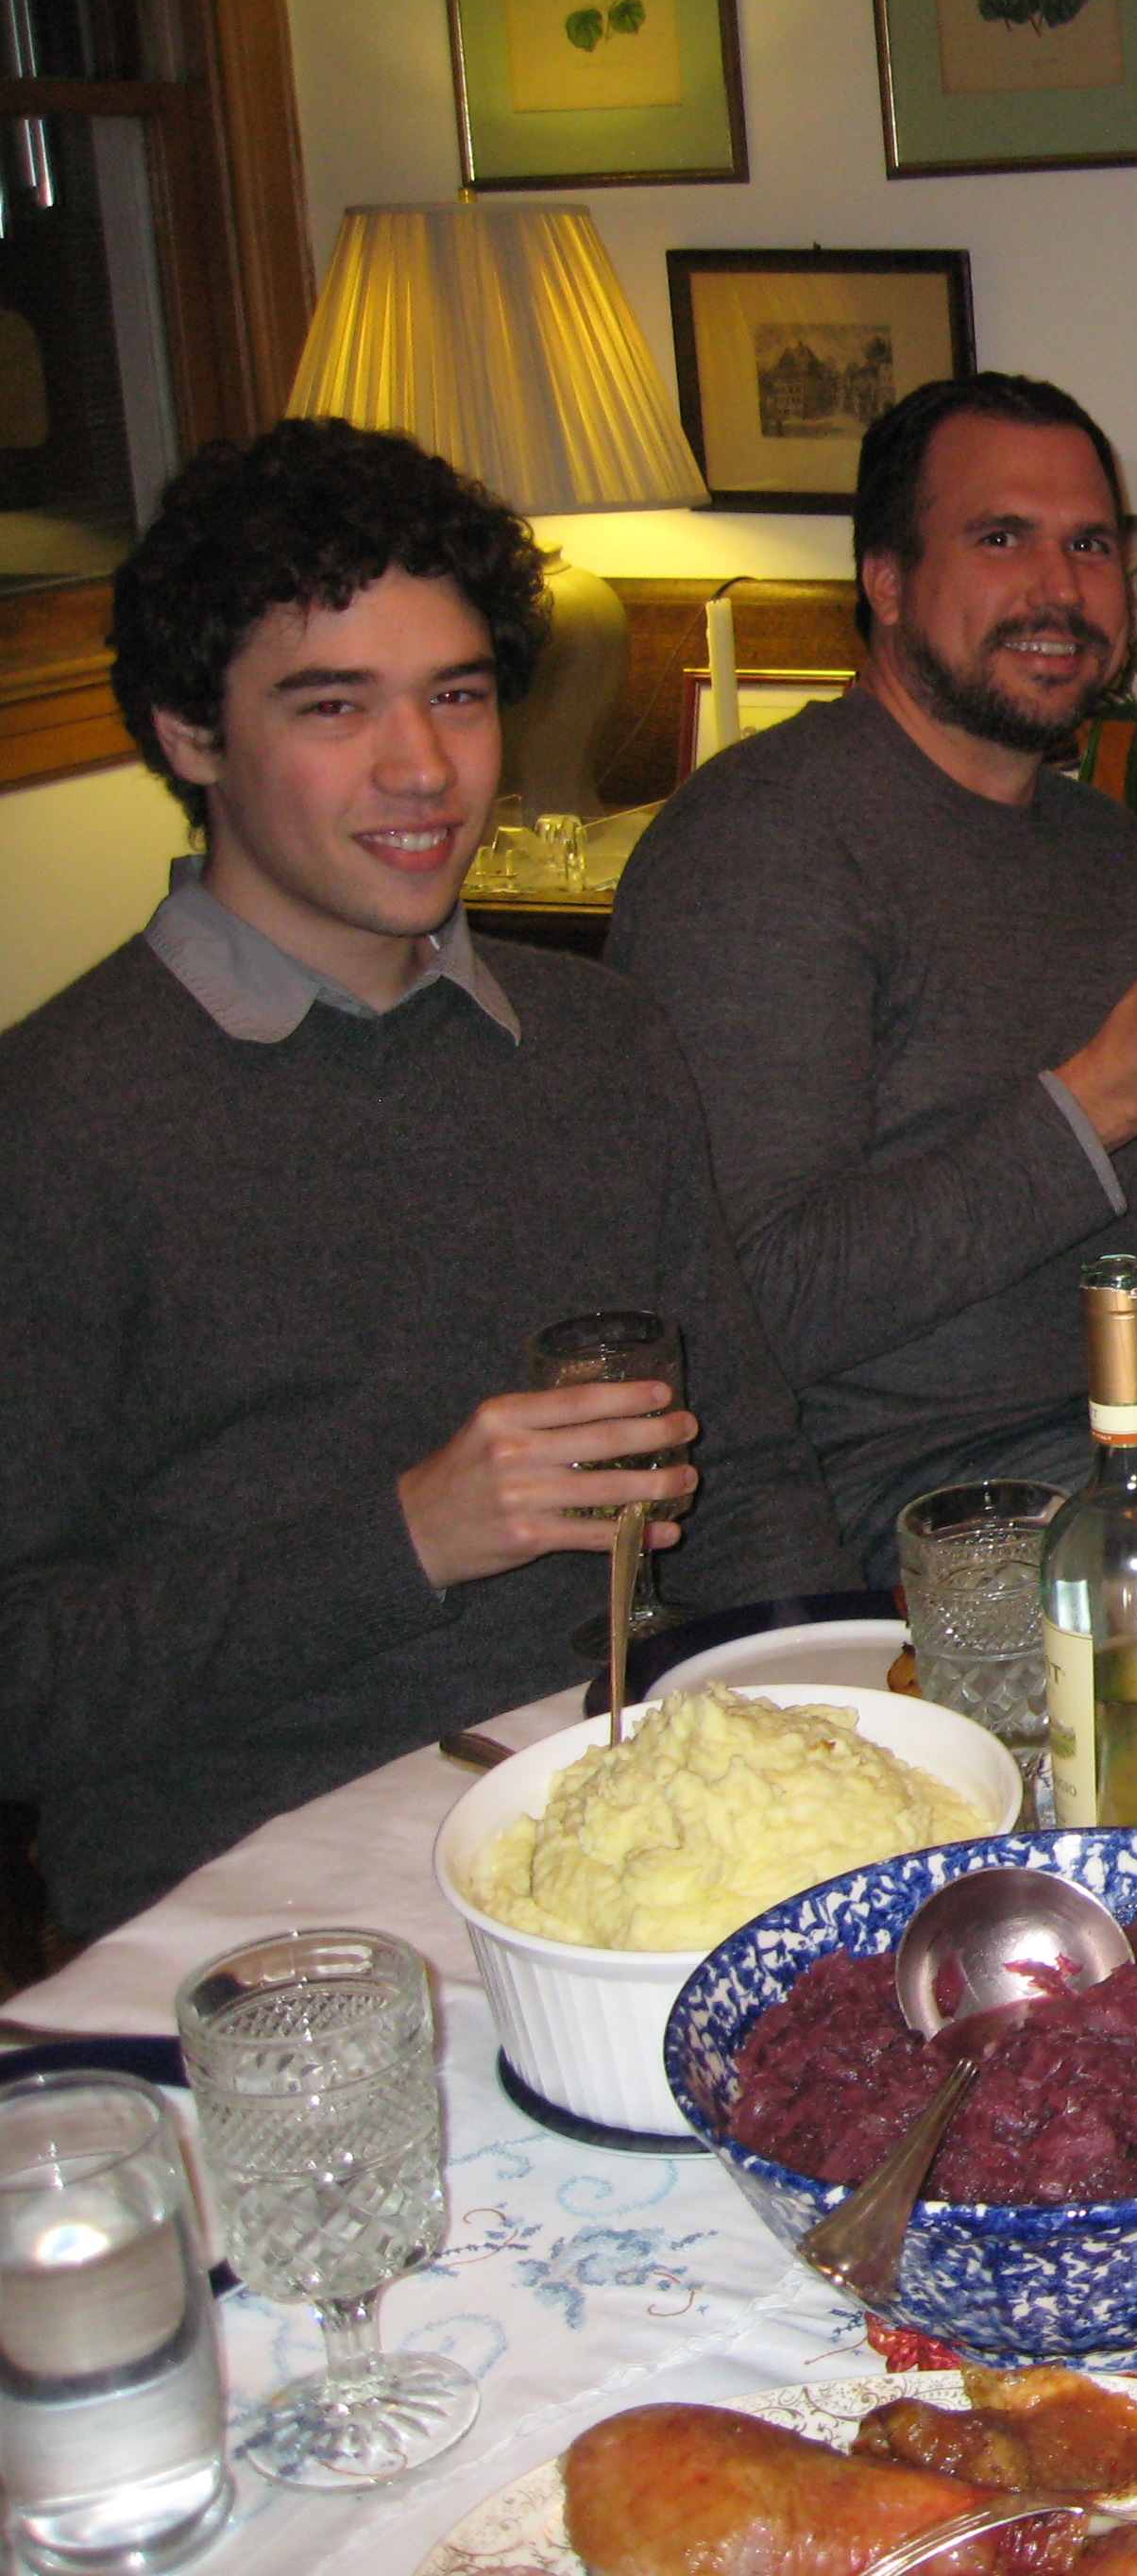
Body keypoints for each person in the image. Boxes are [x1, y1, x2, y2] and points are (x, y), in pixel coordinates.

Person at [0, 417, 853, 1938]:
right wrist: (405, 1541)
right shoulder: (56, 1122)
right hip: (260, 1912)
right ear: (190, 734)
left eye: (456, 695)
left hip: (644, 1840)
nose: (424, 768)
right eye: (336, 707)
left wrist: (825, 1749)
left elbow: (752, 1471)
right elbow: (23, 1682)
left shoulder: (599, 1040)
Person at [609, 374, 1137, 1581]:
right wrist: (1100, 1101)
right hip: (886, 1520)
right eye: (1001, 539)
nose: (1059, 588)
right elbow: (753, 1308)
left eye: (1089, 544)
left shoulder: (1103, 848)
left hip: (1128, 1473)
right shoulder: (760, 846)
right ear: (886, 582)